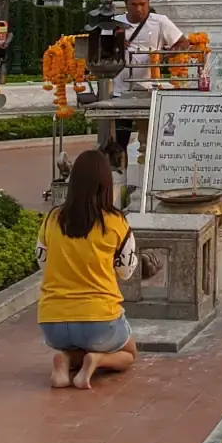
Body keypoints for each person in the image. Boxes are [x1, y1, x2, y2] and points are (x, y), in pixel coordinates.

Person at [36, 149, 138, 391]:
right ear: (106, 184)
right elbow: (126, 271)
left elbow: (42, 261)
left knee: (74, 341)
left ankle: (67, 359)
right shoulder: (115, 222)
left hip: (52, 322)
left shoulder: (53, 218)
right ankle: (97, 359)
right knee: (129, 354)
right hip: (99, 319)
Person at [110, 0, 190, 155]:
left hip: (150, 91)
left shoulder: (160, 22)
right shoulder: (114, 24)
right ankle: (120, 174)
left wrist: (165, 55)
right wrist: (113, 43)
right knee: (120, 140)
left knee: (152, 139)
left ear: (148, 3)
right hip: (122, 92)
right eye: (134, 5)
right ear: (126, 4)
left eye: (143, 5)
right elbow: (100, 50)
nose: (139, 9)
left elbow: (183, 43)